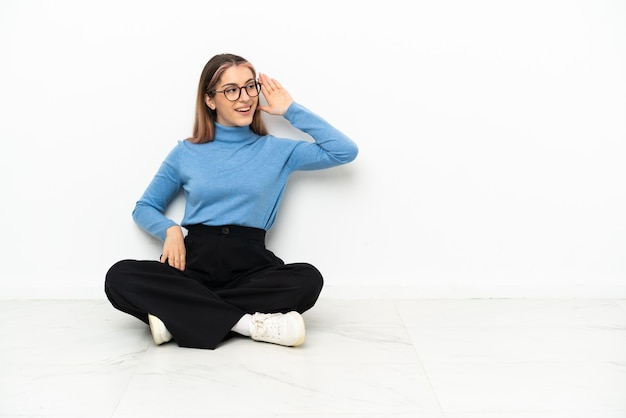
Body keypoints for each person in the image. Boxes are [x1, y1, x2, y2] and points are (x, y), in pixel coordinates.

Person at [104, 53, 358, 350]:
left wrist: (290, 110)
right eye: (231, 90)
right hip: (193, 263)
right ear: (210, 100)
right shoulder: (186, 152)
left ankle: (178, 318)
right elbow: (144, 207)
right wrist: (170, 231)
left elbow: (344, 151)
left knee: (307, 279)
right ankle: (250, 324)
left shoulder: (277, 150)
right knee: (119, 277)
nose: (246, 98)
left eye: (251, 86)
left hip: (251, 266)